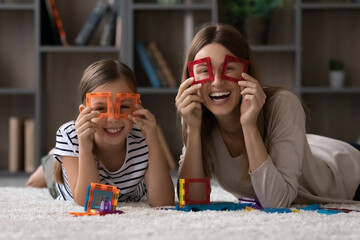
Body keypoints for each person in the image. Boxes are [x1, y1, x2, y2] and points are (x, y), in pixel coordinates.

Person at [175, 23, 360, 208]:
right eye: (204, 71)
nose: (217, 82)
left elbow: (276, 202)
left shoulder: (282, 103)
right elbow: (191, 202)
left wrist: (249, 125)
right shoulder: (196, 113)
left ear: (246, 72)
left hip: (349, 172)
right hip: (308, 147)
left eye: (229, 68)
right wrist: (193, 130)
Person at [27, 59, 174, 207]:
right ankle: (55, 157)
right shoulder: (71, 137)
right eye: (101, 109)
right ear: (83, 112)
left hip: (127, 191)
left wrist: (153, 139)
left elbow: (163, 203)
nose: (113, 118)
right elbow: (89, 203)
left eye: (123, 106)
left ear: (137, 107)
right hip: (71, 178)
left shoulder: (142, 135)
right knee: (35, 181)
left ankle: (58, 154)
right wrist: (84, 147)